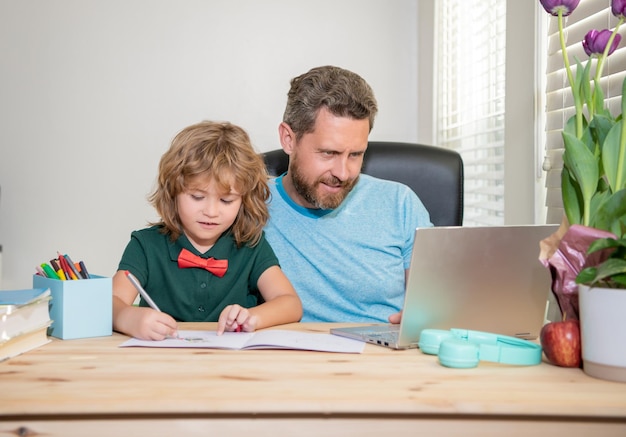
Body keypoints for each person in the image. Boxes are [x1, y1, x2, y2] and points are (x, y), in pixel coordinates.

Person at [264, 65, 433, 324]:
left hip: (382, 357)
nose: (343, 173)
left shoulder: (400, 204)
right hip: (289, 359)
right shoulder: (248, 205)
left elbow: (436, 306)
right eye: (328, 153)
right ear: (288, 139)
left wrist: (427, 317)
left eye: (355, 155)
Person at [112, 121, 302, 340]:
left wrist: (252, 317)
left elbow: (290, 303)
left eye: (226, 200)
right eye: (197, 197)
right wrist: (128, 318)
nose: (211, 212)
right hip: (162, 364)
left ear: (244, 200)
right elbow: (111, 301)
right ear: (173, 191)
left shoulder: (251, 245)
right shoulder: (145, 245)